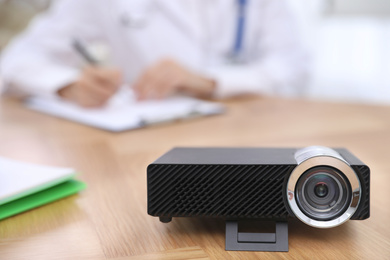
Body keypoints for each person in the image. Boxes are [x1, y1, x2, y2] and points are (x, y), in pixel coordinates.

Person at [0, 0, 309, 108]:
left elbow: (295, 69)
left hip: (245, 132)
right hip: (142, 149)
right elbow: (14, 63)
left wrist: (211, 82)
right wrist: (69, 85)